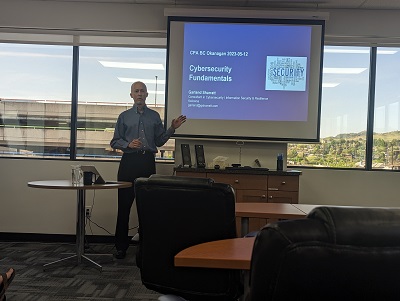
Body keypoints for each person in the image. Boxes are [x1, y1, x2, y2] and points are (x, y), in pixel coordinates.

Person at [110, 81, 186, 259]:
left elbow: (159, 141)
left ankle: (146, 246)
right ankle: (121, 247)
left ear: (146, 94)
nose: (139, 94)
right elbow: (114, 141)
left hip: (147, 162)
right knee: (124, 207)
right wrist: (128, 144)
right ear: (131, 95)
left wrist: (172, 128)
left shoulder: (154, 116)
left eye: (142, 91)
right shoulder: (124, 116)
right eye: (136, 91)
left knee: (147, 207)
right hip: (128, 162)